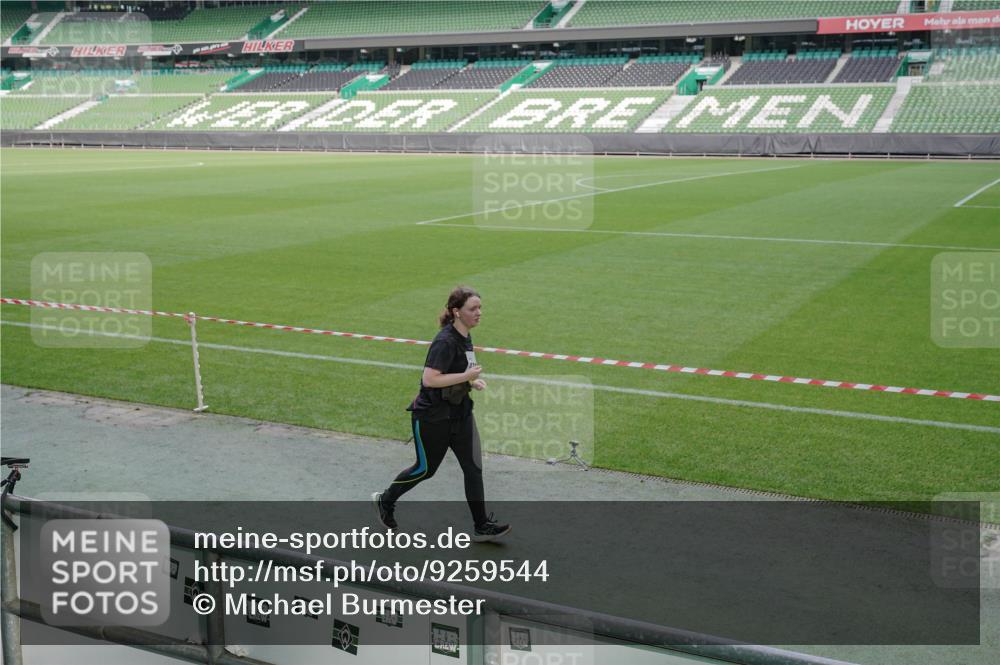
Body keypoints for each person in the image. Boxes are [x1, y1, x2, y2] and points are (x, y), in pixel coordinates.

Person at [373, 286, 510, 542]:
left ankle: (481, 526)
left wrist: (470, 383)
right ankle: (385, 500)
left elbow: (455, 372)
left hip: (460, 414)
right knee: (426, 469)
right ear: (456, 312)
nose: (479, 313)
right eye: (473, 309)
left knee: (473, 468)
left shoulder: (465, 335)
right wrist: (467, 377)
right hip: (432, 418)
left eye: (480, 307)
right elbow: (430, 379)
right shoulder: (445, 341)